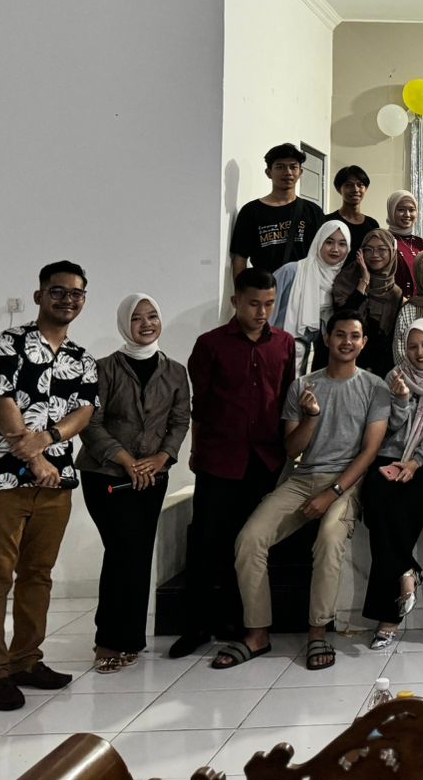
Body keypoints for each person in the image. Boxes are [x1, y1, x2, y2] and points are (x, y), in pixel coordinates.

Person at [220, 312, 388, 671]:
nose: (346, 342)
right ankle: (257, 632)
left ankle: (318, 632)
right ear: (327, 338)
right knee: (250, 539)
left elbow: (370, 451)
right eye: (340, 334)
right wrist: (311, 417)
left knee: (329, 538)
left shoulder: (375, 387)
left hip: (348, 481)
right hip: (301, 478)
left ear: (363, 343)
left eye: (354, 336)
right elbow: (292, 448)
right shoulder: (303, 386)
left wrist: (333, 492)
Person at [0, 262, 99, 710]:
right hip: (1, 478)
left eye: (76, 293)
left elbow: (85, 411)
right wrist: (34, 455)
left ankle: (25, 659)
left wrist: (49, 439)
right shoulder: (8, 343)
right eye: (58, 291)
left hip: (56, 482)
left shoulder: (82, 358)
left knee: (37, 574)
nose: (68, 300)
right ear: (40, 295)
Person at [169, 268, 295, 659]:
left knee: (247, 542)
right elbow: (200, 404)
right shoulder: (210, 344)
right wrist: (196, 450)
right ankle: (196, 626)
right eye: (254, 304)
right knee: (206, 540)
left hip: (266, 457)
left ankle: (236, 620)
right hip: (220, 457)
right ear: (235, 301)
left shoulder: (285, 343)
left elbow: (286, 397)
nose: (262, 312)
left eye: (269, 304)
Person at [78, 293, 191, 673]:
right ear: (124, 323)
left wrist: (161, 458)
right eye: (137, 318)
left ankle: (131, 639)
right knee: (121, 551)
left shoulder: (175, 371)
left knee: (139, 554)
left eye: (152, 316)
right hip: (106, 475)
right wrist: (127, 460)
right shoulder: (103, 368)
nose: (146, 324)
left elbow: (180, 421)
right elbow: (90, 423)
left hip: (152, 477)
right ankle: (108, 640)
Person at [361, 318, 423, 649]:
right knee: (374, 496)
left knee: (399, 513)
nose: (420, 352)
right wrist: (400, 400)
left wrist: (415, 462)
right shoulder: (395, 376)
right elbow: (387, 428)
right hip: (392, 454)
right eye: (412, 346)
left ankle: (388, 618)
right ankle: (406, 571)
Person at [229, 143, 325, 278]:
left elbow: (323, 254)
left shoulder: (313, 211)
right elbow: (240, 257)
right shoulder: (251, 211)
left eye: (293, 167)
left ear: (300, 172)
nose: (288, 172)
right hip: (265, 287)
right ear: (268, 173)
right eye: (280, 167)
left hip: (304, 286)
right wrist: (242, 289)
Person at [272, 219, 350, 374]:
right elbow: (266, 308)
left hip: (314, 364)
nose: (335, 249)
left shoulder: (344, 282)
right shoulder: (292, 271)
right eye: (329, 242)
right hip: (279, 355)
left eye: (342, 244)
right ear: (319, 242)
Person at [330, 229, 404, 377]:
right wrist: (364, 281)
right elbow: (343, 318)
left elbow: (391, 339)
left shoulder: (396, 294)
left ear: (392, 252)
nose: (374, 254)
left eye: (382, 249)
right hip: (345, 362)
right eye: (368, 249)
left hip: (380, 369)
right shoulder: (347, 279)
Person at [384, 190, 423, 297]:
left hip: (422, 303)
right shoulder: (383, 241)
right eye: (401, 210)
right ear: (391, 211)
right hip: (393, 303)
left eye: (411, 210)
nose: (407, 215)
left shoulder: (421, 243)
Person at [331, 165, 380, 250]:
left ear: (366, 189)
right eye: (349, 185)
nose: (355, 189)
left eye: (360, 185)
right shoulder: (329, 221)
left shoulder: (372, 224)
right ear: (339, 189)